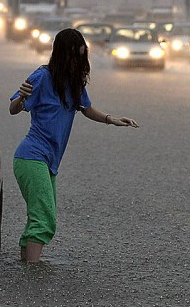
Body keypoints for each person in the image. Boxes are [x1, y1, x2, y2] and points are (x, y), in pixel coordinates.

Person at [9, 27, 139, 263]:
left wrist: (112, 119)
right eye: (73, 55)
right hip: (30, 157)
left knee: (37, 216)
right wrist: (21, 97)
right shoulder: (41, 77)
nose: (78, 61)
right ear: (61, 53)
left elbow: (86, 108)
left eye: (81, 56)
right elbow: (13, 109)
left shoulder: (74, 82)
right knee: (45, 218)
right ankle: (33, 272)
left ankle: (24, 267)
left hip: (48, 161)